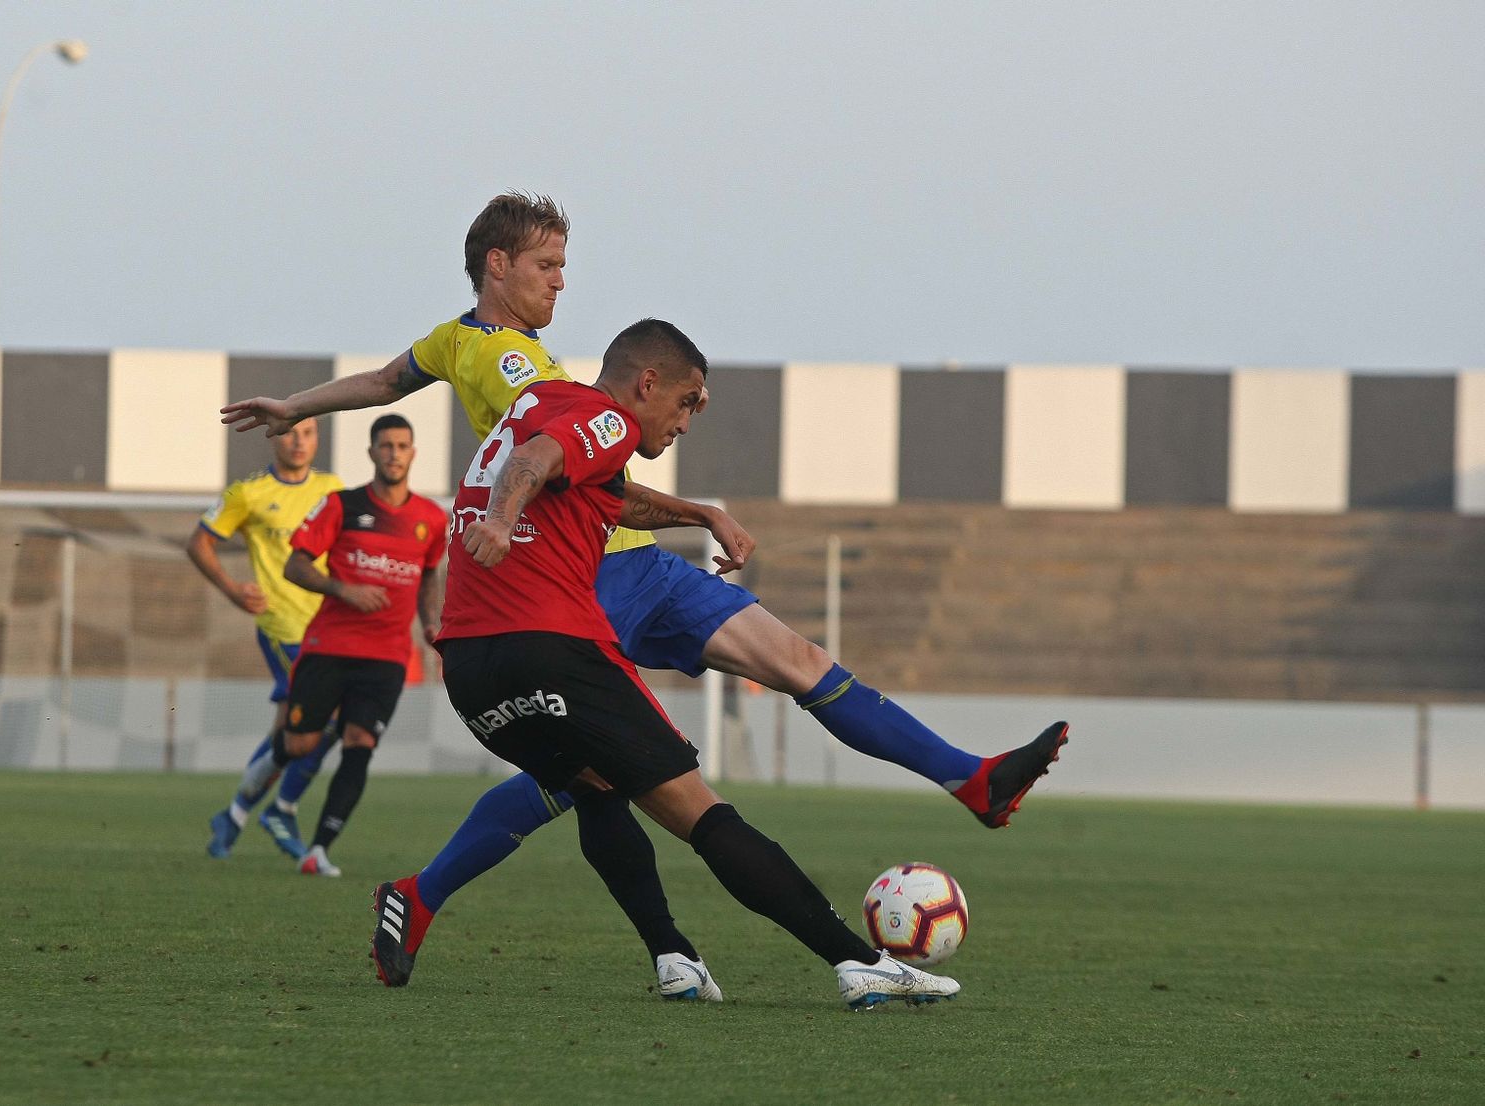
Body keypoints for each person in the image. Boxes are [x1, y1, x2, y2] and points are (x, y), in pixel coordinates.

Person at [222, 192, 1067, 996]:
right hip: (593, 571)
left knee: (791, 666)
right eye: (548, 264)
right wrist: (654, 508)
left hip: (623, 571)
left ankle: (970, 780)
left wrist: (293, 403)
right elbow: (555, 461)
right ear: (497, 263)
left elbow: (383, 381)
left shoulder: (454, 341)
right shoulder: (520, 363)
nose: (561, 279)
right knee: (601, 773)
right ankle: (518, 911)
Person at [375, 318, 963, 1009]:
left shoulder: (540, 404)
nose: (686, 422)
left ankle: (671, 954)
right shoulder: (606, 419)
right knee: (702, 814)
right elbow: (534, 463)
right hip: (553, 650)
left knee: (596, 788)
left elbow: (591, 485)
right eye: (686, 402)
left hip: (472, 670)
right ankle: (859, 961)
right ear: (646, 382)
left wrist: (700, 514)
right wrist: (503, 518)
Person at [233, 414, 447, 876]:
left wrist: (430, 623)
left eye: (402, 445)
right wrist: (344, 590)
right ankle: (254, 789)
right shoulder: (341, 505)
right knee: (300, 743)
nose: (394, 453)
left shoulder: (431, 519)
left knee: (360, 742)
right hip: (329, 645)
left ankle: (319, 850)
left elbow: (429, 574)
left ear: (413, 453)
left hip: (387, 656)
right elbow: (296, 567)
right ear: (371, 453)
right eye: (385, 445)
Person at [190, 418, 343, 860]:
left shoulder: (333, 489)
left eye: (309, 432)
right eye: (291, 431)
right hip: (284, 628)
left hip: (330, 624)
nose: (299, 441)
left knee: (290, 729)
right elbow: (198, 543)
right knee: (327, 720)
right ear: (275, 436)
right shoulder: (248, 494)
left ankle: (234, 814)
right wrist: (233, 589)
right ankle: (282, 808)